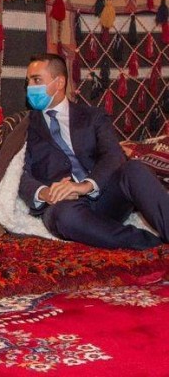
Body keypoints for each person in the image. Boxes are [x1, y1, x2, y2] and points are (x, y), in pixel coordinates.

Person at [19, 52, 169, 250]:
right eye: (28, 81)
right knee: (65, 216)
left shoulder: (93, 116)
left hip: (105, 195)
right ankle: (152, 245)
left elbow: (113, 155)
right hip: (64, 204)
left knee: (135, 169)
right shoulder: (23, 127)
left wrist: (86, 185)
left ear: (59, 82)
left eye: (36, 80)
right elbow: (19, 173)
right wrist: (45, 193)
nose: (30, 87)